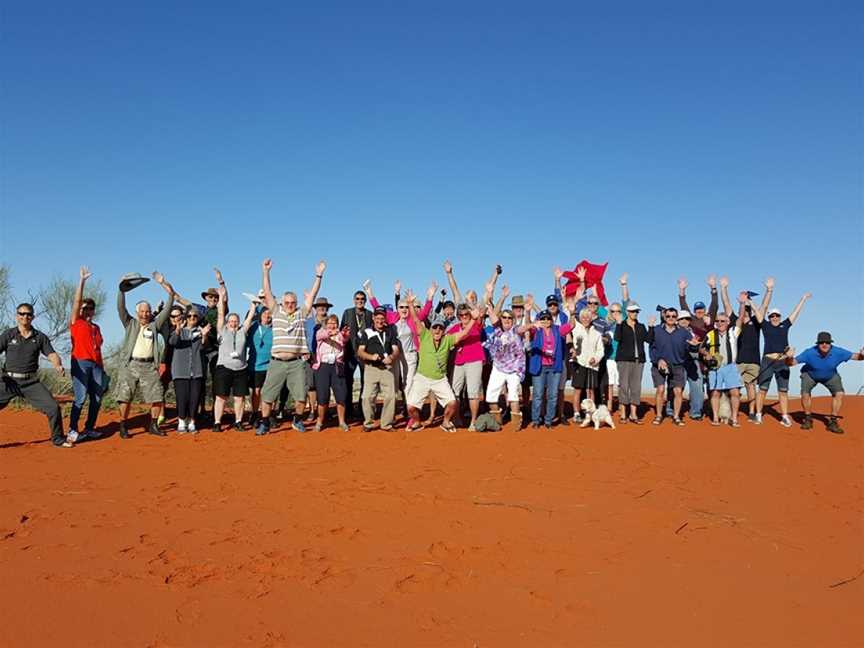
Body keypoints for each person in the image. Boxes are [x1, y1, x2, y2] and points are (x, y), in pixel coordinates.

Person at [256, 259, 325, 436]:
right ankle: (264, 423)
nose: (290, 305)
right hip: (277, 362)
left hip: (296, 363)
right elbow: (268, 291)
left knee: (301, 395)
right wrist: (266, 272)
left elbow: (313, 295)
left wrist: (318, 275)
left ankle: (297, 420)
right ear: (281, 303)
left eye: (293, 302)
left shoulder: (302, 313)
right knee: (268, 395)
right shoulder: (276, 311)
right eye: (287, 302)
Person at [404, 294, 481, 432]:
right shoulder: (425, 335)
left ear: (443, 330)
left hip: (440, 379)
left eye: (440, 328)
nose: (437, 330)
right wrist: (410, 304)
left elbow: (464, 333)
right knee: (410, 407)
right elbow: (416, 320)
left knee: (452, 403)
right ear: (431, 329)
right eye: (435, 328)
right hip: (422, 377)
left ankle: (446, 422)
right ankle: (416, 422)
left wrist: (474, 319)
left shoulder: (448, 339)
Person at [115, 271, 175, 439]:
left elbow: (169, 306)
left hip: (149, 366)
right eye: (142, 311)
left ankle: (154, 425)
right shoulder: (130, 323)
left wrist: (165, 284)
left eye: (147, 311)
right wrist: (122, 289)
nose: (145, 314)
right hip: (131, 365)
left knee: (156, 395)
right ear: (137, 312)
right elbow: (120, 307)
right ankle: (123, 425)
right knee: (125, 396)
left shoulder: (155, 325)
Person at [0, 303, 67, 447]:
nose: (25, 317)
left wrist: (58, 365)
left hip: (31, 382)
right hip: (8, 381)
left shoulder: (40, 337)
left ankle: (58, 439)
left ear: (33, 317)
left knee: (53, 408)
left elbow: (52, 354)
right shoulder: (8, 334)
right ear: (17, 316)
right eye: (22, 314)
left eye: (28, 314)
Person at [366, 279, 436, 412]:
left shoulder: (413, 318)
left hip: (410, 355)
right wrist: (369, 293)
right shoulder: (392, 317)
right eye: (401, 307)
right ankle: (395, 410)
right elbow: (377, 308)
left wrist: (430, 296)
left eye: (406, 307)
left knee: (408, 384)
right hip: (394, 355)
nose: (404, 309)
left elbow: (425, 312)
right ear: (397, 308)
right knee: (393, 383)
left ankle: (410, 412)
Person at [174, 267, 227, 420]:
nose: (213, 300)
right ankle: (201, 410)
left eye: (215, 298)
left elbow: (225, 297)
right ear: (206, 298)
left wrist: (221, 281)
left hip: (217, 350)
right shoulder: (200, 310)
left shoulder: (221, 309)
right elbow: (182, 300)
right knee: (200, 379)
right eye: (210, 297)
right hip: (202, 349)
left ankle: (213, 412)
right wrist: (168, 289)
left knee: (217, 380)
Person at [784, 333, 863, 434]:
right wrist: (789, 357)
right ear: (817, 344)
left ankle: (833, 421)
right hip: (810, 374)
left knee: (839, 393)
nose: (824, 344)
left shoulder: (838, 352)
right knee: (805, 393)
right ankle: (808, 418)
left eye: (827, 342)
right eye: (821, 342)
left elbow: (856, 357)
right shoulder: (809, 352)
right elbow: (791, 363)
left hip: (830, 376)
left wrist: (862, 355)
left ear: (831, 343)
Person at [754, 291, 811, 427]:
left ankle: (784, 416)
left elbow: (795, 314)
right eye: (772, 316)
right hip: (768, 361)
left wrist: (803, 299)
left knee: (783, 391)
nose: (774, 318)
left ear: (780, 317)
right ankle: (758, 414)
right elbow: (758, 313)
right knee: (762, 389)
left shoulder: (785, 325)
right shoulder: (765, 325)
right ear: (769, 317)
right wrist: (750, 302)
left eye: (777, 315)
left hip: (783, 362)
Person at [720, 276, 774, 422]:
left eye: (748, 308)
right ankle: (730, 412)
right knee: (734, 387)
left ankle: (751, 412)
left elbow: (764, 307)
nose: (747, 311)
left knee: (751, 386)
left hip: (754, 361)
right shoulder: (735, 321)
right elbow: (726, 304)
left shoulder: (757, 322)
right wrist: (724, 288)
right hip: (737, 361)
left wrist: (769, 290)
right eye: (744, 307)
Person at [67, 266, 106, 443]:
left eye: (90, 308)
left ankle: (89, 427)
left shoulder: (96, 328)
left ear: (93, 310)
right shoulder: (76, 323)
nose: (86, 310)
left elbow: (98, 349)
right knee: (81, 397)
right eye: (84, 308)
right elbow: (76, 303)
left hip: (96, 365)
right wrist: (82, 281)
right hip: (80, 362)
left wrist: (102, 370)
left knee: (97, 398)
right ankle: (73, 430)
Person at [484, 286, 531, 426]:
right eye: (504, 317)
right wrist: (499, 297)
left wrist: (532, 324)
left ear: (512, 320)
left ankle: (516, 422)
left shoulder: (516, 330)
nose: (506, 319)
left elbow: (524, 328)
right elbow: (492, 315)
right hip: (498, 367)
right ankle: (498, 420)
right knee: (491, 395)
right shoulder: (497, 329)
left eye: (509, 317)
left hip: (515, 368)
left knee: (513, 395)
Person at [648, 308, 701, 426]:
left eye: (673, 316)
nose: (670, 318)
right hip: (659, 364)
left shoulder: (683, 332)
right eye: (668, 316)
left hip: (677, 365)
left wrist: (693, 346)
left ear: (676, 318)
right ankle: (658, 415)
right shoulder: (656, 330)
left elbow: (690, 347)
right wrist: (658, 360)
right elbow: (651, 347)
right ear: (664, 317)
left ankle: (676, 417)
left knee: (678, 391)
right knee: (660, 389)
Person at [213, 285, 255, 432]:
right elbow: (220, 314)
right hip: (224, 368)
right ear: (227, 322)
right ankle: (217, 422)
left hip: (241, 369)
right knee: (221, 397)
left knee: (239, 398)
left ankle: (238, 421)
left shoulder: (243, 331)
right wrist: (221, 298)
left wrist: (254, 304)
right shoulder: (222, 330)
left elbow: (249, 317)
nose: (233, 322)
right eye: (231, 320)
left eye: (236, 320)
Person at [526, 308, 574, 428]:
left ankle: (548, 420)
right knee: (538, 394)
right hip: (539, 366)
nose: (546, 320)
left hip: (554, 367)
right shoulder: (535, 331)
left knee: (553, 395)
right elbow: (525, 328)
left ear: (552, 320)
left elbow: (571, 325)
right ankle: (536, 420)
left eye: (548, 318)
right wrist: (528, 313)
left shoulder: (557, 330)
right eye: (543, 318)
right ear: (539, 320)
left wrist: (572, 312)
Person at [357, 306, 401, 431]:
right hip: (371, 368)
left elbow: (396, 350)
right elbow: (360, 352)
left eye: (382, 318)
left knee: (390, 396)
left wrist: (391, 358)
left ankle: (386, 424)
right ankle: (368, 423)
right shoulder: (366, 332)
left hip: (387, 368)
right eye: (377, 318)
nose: (380, 321)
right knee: (367, 397)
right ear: (373, 318)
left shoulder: (390, 331)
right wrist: (371, 357)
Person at [168, 306, 211, 433]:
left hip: (196, 370)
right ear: (185, 318)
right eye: (189, 316)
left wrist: (204, 336)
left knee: (195, 398)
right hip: (180, 371)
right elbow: (172, 342)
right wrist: (177, 330)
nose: (192, 318)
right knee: (182, 397)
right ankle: (181, 421)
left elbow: (205, 348)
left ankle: (192, 421)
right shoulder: (179, 330)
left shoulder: (200, 331)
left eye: (195, 316)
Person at [447, 302, 486, 430]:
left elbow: (479, 319)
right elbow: (447, 339)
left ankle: (473, 421)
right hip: (459, 362)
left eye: (466, 314)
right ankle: (456, 418)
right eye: (461, 315)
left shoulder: (476, 325)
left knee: (473, 392)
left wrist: (476, 315)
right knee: (455, 392)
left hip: (474, 361)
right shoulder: (454, 328)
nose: (464, 317)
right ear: (458, 316)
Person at [701, 311, 743, 427]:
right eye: (717, 321)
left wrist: (743, 304)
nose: (720, 323)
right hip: (715, 367)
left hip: (731, 367)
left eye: (722, 321)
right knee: (715, 392)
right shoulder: (710, 334)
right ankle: (715, 417)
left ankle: (734, 418)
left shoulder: (733, 332)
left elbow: (740, 320)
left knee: (735, 392)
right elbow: (702, 348)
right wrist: (707, 353)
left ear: (728, 322)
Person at [312, 314, 351, 431]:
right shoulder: (320, 331)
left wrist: (343, 334)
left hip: (337, 366)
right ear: (326, 324)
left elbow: (344, 340)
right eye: (330, 323)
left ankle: (342, 422)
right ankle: (319, 422)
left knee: (341, 395)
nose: (332, 325)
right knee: (322, 396)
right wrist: (331, 332)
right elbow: (320, 336)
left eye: (334, 323)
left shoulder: (340, 334)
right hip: (323, 366)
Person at [340, 289, 373, 422]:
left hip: (365, 353)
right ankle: (348, 410)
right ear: (354, 300)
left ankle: (362, 409)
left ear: (365, 301)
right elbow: (342, 331)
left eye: (362, 299)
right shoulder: (347, 313)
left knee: (366, 382)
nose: (360, 301)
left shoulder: (369, 314)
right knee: (348, 381)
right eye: (357, 299)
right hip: (349, 352)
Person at [614, 301, 649, 424]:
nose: (635, 313)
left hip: (638, 361)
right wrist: (618, 324)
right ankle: (623, 413)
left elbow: (649, 339)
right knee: (623, 386)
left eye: (636, 311)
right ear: (628, 312)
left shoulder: (641, 326)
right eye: (633, 311)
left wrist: (651, 326)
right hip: (624, 360)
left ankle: (633, 414)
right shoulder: (621, 325)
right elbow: (617, 338)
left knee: (636, 387)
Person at [568, 307, 605, 422]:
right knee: (578, 390)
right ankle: (577, 413)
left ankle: (590, 414)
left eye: (588, 317)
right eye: (583, 317)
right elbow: (570, 327)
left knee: (590, 390)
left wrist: (596, 359)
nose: (585, 319)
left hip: (592, 365)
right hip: (579, 363)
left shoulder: (597, 333)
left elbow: (600, 350)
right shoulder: (576, 328)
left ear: (591, 318)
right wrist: (572, 312)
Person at [304, 296, 333, 424]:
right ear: (315, 308)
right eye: (319, 306)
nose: (322, 308)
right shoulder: (308, 322)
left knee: (325, 386)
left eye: (324, 306)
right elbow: (303, 338)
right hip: (310, 356)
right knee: (311, 385)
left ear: (327, 308)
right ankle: (312, 410)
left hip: (326, 357)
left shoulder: (331, 322)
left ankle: (325, 412)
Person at [675, 310, 705, 421]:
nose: (684, 321)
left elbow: (703, 346)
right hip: (679, 362)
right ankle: (671, 410)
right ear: (677, 320)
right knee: (677, 388)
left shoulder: (696, 332)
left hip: (693, 361)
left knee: (697, 387)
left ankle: (696, 412)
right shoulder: (673, 332)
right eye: (681, 319)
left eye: (687, 319)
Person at [246, 305, 273, 426]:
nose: (267, 316)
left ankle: (268, 414)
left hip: (271, 365)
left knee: (270, 391)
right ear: (260, 315)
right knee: (256, 391)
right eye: (265, 314)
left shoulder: (275, 328)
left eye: (269, 314)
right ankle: (255, 414)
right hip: (255, 365)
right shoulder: (253, 327)